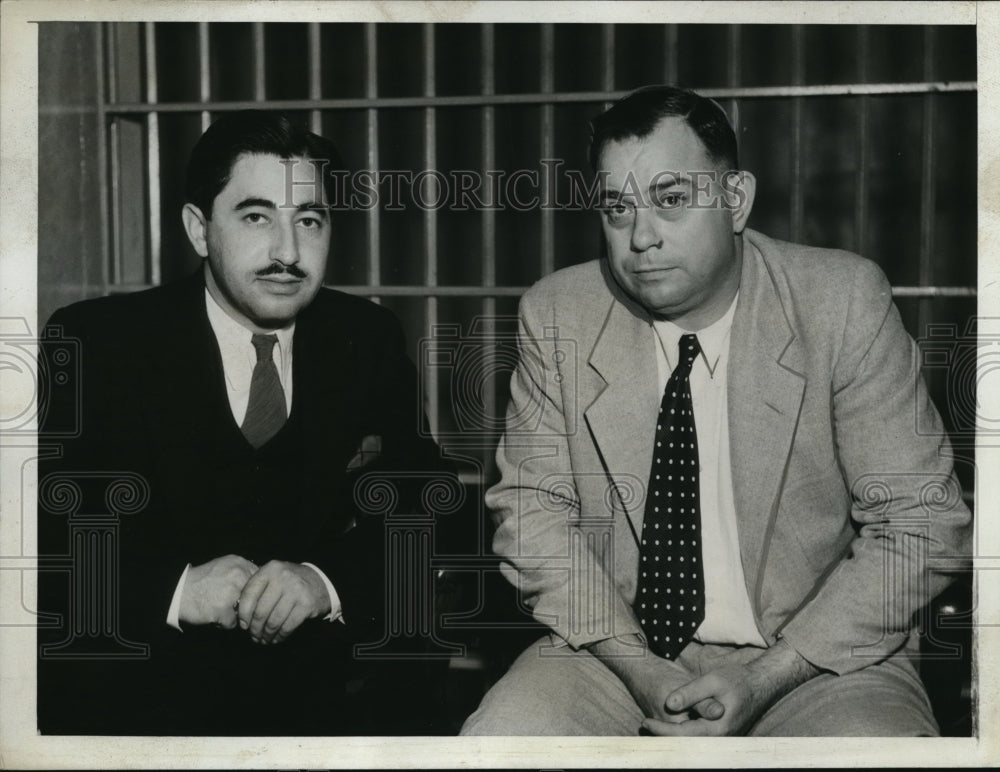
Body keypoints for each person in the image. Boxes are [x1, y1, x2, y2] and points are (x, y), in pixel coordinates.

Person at [461, 85, 972, 736]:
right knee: (505, 738)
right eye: (618, 209)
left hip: (815, 658)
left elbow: (923, 524)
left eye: (671, 201)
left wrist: (768, 676)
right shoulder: (557, 313)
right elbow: (532, 519)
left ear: (735, 201)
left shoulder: (839, 302)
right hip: (616, 652)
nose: (641, 237)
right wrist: (643, 670)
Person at [37, 111, 451, 735]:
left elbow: (425, 502)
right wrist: (176, 591)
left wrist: (323, 582)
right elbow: (41, 529)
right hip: (145, 701)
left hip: (327, 694)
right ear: (198, 229)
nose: (288, 252)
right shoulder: (98, 341)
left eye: (308, 221)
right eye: (256, 217)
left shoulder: (365, 337)